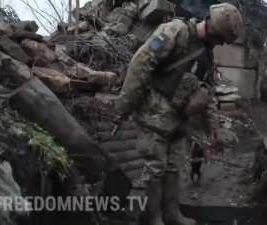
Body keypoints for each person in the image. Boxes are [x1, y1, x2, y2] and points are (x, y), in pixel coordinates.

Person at [112, 3, 243, 225]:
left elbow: (207, 93)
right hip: (153, 115)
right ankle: (152, 218)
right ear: (211, 28)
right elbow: (141, 64)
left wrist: (215, 130)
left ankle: (171, 215)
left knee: (173, 167)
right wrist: (125, 105)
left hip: (177, 121)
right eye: (220, 38)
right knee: (155, 168)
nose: (219, 44)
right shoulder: (174, 31)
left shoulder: (206, 55)